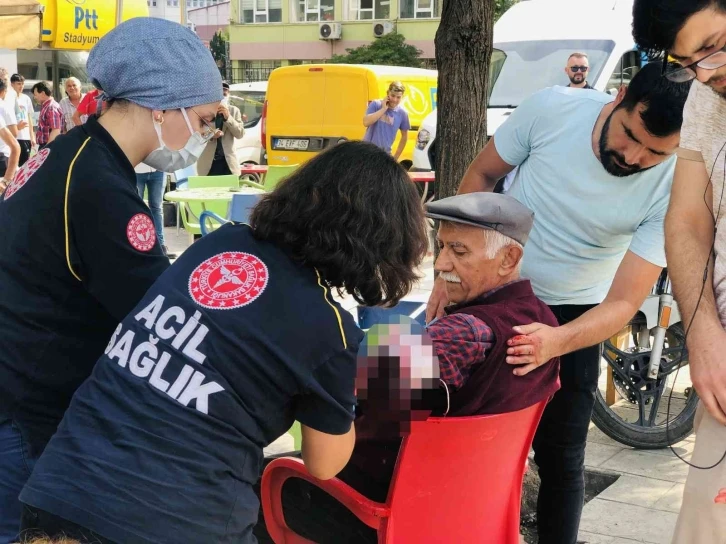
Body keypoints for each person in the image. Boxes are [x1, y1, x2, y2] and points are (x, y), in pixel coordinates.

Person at [18, 141, 429, 544]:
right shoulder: (332, 332)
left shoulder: (220, 244)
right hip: (171, 518)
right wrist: (359, 391)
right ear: (381, 242)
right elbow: (324, 463)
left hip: (60, 488)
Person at [426, 62, 690, 544]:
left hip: (574, 316)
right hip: (489, 297)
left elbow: (626, 299)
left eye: (656, 152)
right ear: (620, 95)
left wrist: (558, 342)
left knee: (563, 456)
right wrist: (451, 273)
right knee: (445, 430)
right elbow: (483, 174)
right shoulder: (552, 109)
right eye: (630, 135)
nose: (633, 157)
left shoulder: (675, 186)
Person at [0, 18, 223, 543]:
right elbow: (158, 316)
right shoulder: (103, 189)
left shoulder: (71, 151)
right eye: (205, 119)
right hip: (27, 405)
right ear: (163, 106)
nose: (206, 135)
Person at [254, 192, 561, 544]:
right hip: (465, 510)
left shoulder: (462, 333)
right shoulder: (544, 323)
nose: (442, 264)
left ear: (509, 259)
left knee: (252, 482)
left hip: (383, 509)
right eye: (441, 247)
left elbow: (346, 384)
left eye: (458, 252)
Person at [632, 1, 726, 542]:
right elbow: (687, 221)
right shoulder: (703, 97)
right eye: (688, 62)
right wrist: (705, 337)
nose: (707, 75)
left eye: (713, 47)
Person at [197, 81, 244, 176]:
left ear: (228, 94)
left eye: (225, 91)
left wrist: (228, 118)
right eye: (220, 91)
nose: (223, 94)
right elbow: (196, 133)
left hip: (228, 164)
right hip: (208, 165)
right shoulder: (204, 111)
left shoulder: (234, 111)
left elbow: (240, 134)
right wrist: (211, 134)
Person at [362, 81, 410, 160]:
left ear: (402, 97)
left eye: (398, 97)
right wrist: (383, 109)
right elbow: (365, 122)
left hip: (384, 155)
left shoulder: (402, 113)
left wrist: (395, 157)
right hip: (367, 151)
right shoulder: (376, 104)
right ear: (388, 93)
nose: (395, 100)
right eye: (393, 96)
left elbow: (404, 136)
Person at [135, 162, 174, 258]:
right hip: (136, 170)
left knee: (157, 207)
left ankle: (161, 247)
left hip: (158, 170)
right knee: (136, 208)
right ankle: (139, 247)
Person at [10, 74, 36, 166]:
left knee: (24, 164)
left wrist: (32, 136)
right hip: (12, 136)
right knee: (12, 164)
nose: (21, 86)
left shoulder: (26, 98)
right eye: (18, 84)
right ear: (12, 84)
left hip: (25, 136)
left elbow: (29, 118)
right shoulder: (8, 99)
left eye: (22, 84)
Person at [31, 82, 63, 148]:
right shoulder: (46, 106)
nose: (34, 97)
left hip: (50, 146)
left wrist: (47, 149)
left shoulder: (51, 107)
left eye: (35, 94)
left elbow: (56, 130)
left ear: (43, 93)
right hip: (46, 145)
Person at [0, 78, 19, 183]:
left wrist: (6, 180)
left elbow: (15, 145)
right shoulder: (5, 106)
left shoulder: (5, 106)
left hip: (3, 156)